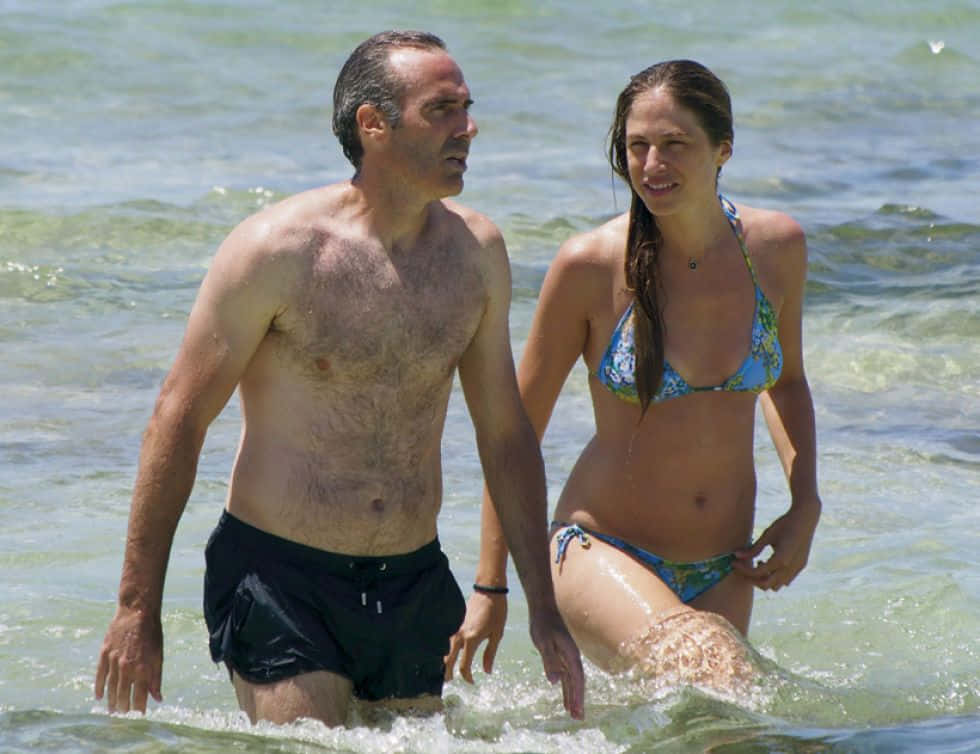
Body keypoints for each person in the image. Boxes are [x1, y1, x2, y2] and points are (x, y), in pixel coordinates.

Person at [93, 30, 584, 726]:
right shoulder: (278, 250)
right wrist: (136, 610)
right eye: (441, 109)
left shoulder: (477, 253)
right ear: (373, 124)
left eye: (467, 107)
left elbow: (504, 434)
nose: (468, 128)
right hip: (282, 577)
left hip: (412, 579)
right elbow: (178, 418)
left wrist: (541, 608)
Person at [446, 59, 821, 686]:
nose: (651, 166)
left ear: (723, 148)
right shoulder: (590, 265)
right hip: (602, 550)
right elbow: (512, 432)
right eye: (636, 147)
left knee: (714, 731)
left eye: (675, 145)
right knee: (724, 677)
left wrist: (804, 502)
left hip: (724, 567)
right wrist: (492, 585)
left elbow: (785, 383)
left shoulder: (776, 248)